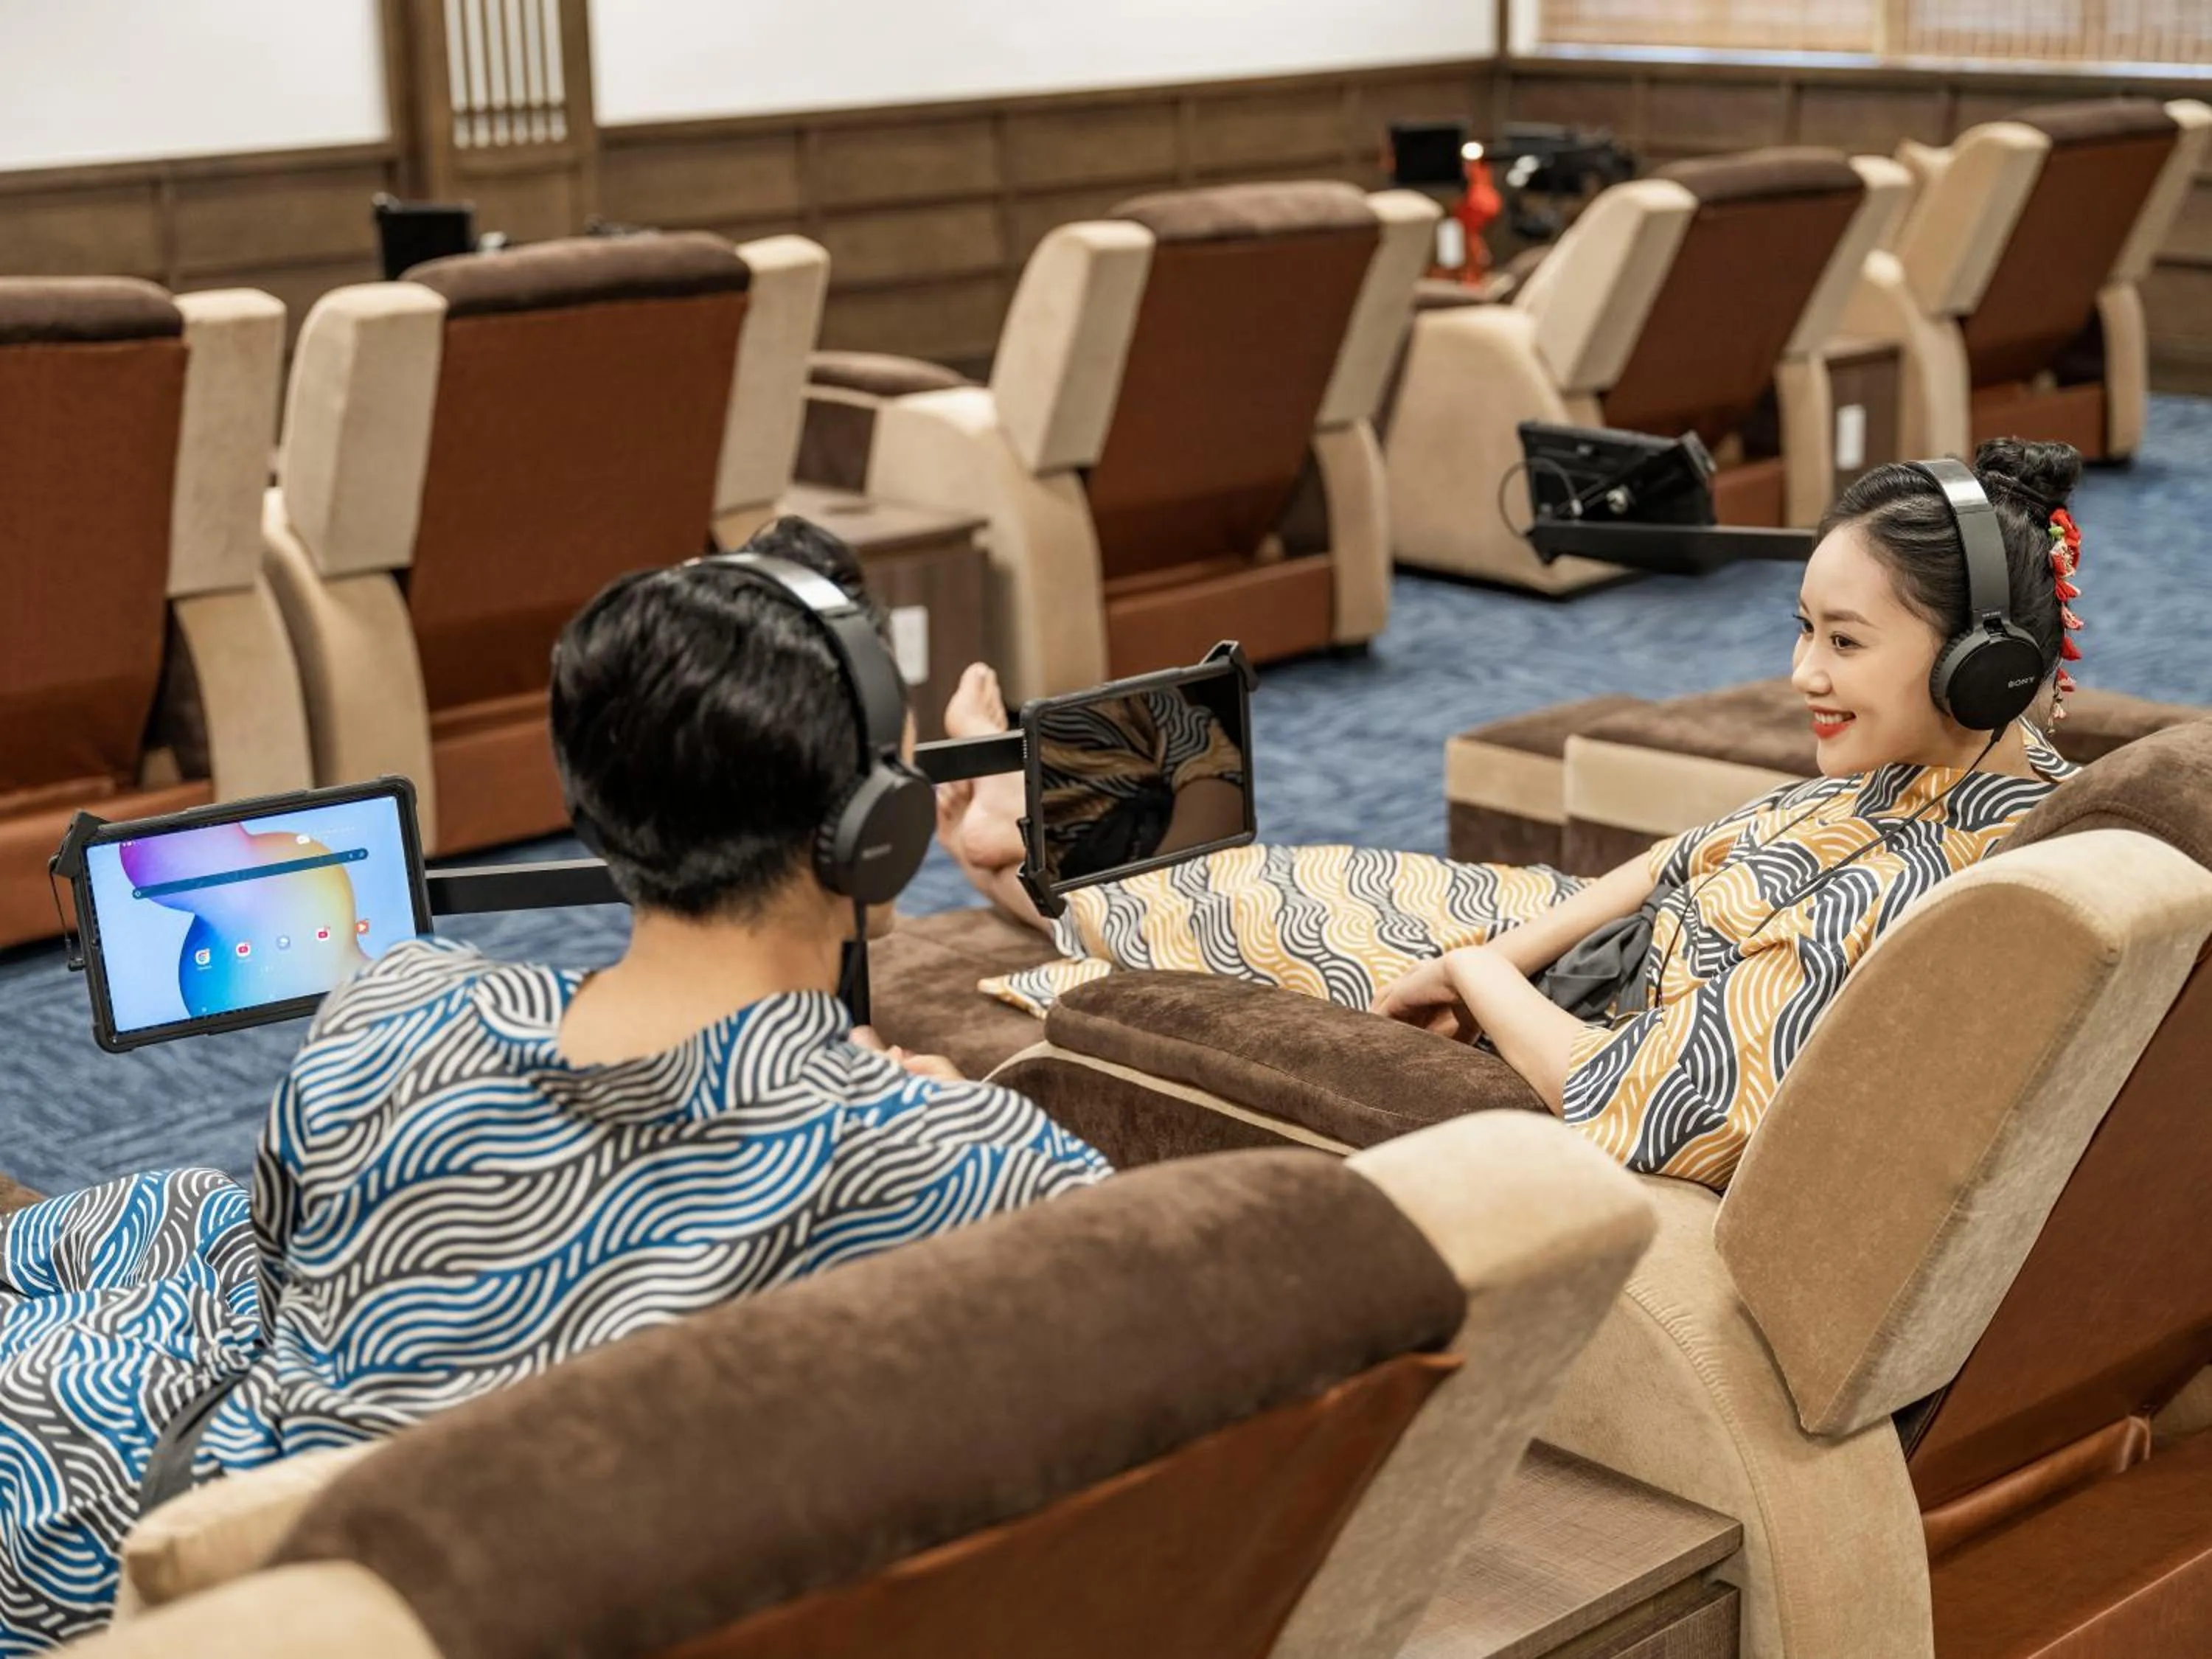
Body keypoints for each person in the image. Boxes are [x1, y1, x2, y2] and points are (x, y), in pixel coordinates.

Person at [0, 518, 1108, 1649]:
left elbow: (287, 1282)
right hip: (311, 1516)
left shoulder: (392, 1009)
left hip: (113, 1481)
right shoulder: (968, 1159)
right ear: (872, 832)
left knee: (163, 1214)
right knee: (173, 1210)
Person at [940, 439, 2087, 1192]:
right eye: (1802, 627)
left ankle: (1010, 863)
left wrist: (1477, 980)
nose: (1802, 673)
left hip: (1551, 1020)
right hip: (1547, 942)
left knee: (1237, 911)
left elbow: (1638, 1100)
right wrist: (1500, 943)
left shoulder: (1907, 893)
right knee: (1293, 873)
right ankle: (1016, 863)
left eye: (1843, 641)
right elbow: (1672, 858)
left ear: (1981, 663)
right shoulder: (1983, 765)